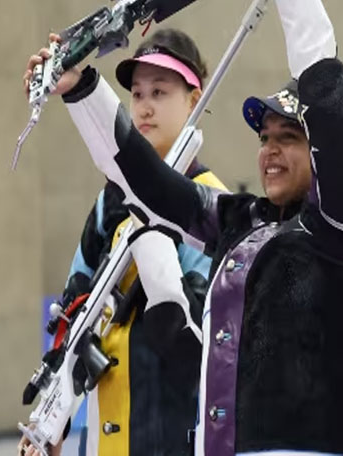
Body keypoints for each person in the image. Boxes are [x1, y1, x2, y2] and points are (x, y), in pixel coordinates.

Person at [23, 0, 343, 456]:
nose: (271, 151)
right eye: (265, 139)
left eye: (289, 136)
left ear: (319, 155)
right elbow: (147, 182)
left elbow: (332, 107)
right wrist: (81, 89)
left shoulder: (338, 226)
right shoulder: (242, 220)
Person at [18, 30, 227, 456]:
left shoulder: (212, 207)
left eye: (160, 92)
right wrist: (52, 422)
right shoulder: (108, 204)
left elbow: (199, 337)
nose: (144, 107)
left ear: (194, 99)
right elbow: (72, 312)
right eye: (135, 94)